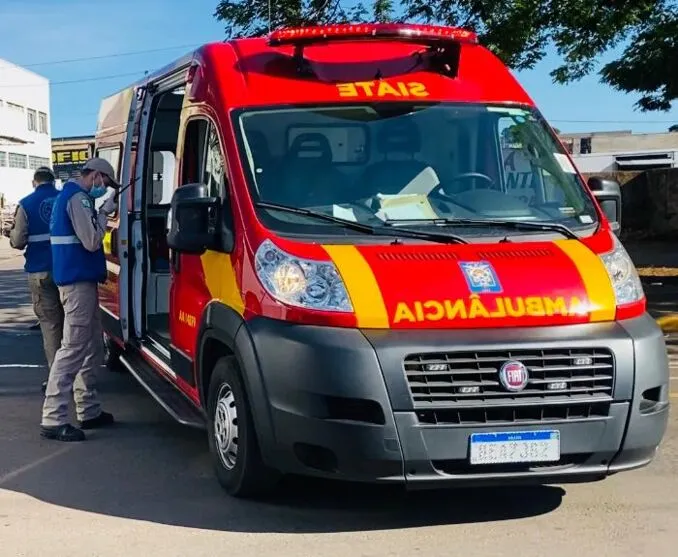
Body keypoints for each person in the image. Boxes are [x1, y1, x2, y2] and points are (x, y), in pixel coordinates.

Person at [41, 158, 119, 442]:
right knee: (73, 348)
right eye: (106, 183)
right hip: (77, 283)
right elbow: (92, 241)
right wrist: (105, 214)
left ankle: (88, 410)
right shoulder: (78, 199)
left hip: (78, 280)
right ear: (96, 176)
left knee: (89, 347)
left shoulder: (70, 196)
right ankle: (53, 418)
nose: (105, 188)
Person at [9, 167, 64, 393]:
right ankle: (79, 377)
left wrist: (11, 237)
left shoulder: (26, 203)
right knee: (73, 326)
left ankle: (57, 379)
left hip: (40, 271)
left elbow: (18, 240)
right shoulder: (65, 198)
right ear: (53, 181)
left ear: (35, 183)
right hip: (67, 270)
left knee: (51, 326)